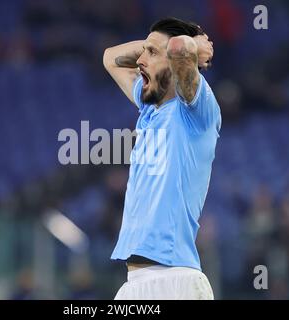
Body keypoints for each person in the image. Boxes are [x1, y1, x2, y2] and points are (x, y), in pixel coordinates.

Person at [103, 17, 220, 300]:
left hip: (174, 279)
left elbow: (180, 48)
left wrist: (196, 46)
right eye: (143, 50)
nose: (140, 59)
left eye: (152, 53)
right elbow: (110, 58)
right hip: (135, 283)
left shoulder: (195, 110)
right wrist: (152, 48)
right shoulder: (149, 108)